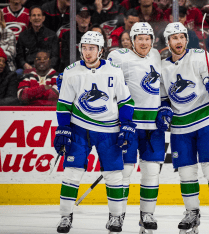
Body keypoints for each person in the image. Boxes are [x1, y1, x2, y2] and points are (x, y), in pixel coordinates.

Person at [54, 31, 136, 233]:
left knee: (114, 175)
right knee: (72, 173)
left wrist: (126, 123)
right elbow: (63, 104)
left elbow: (126, 101)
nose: (87, 52)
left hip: (109, 130)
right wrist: (63, 127)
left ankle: (116, 218)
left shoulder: (114, 71)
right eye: (84, 48)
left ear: (101, 50)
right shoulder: (71, 71)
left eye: (92, 48)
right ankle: (65, 217)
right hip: (79, 128)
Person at [160, 22, 209, 234]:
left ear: (186, 39)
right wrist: (164, 111)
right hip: (180, 126)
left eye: (182, 37)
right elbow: (165, 99)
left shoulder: (200, 56)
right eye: (174, 38)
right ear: (168, 42)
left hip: (206, 119)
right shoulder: (163, 67)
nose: (179, 41)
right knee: (186, 172)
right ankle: (192, 212)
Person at [107, 22, 165, 234]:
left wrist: (165, 107)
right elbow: (108, 85)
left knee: (151, 172)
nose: (143, 42)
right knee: (125, 171)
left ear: (152, 40)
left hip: (153, 126)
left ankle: (146, 216)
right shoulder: (118, 57)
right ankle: (116, 216)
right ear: (132, 40)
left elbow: (163, 85)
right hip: (129, 125)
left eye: (147, 38)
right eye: (139, 38)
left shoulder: (157, 55)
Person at [16, 6, 59, 72]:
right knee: (18, 72)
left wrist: (46, 67)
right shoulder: (23, 35)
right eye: (34, 15)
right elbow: (19, 57)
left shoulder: (52, 35)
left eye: (39, 15)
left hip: (47, 68)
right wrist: (25, 65)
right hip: (29, 68)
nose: (36, 18)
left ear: (43, 18)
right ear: (29, 18)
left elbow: (55, 57)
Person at [59, 4, 92, 72]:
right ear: (76, 18)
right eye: (81, 16)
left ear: (89, 19)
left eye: (86, 17)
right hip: (73, 70)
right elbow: (65, 59)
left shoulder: (94, 35)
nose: (84, 19)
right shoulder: (68, 36)